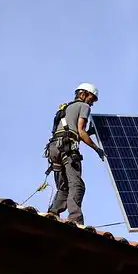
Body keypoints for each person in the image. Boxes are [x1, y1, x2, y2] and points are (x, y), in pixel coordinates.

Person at [45, 82, 105, 226]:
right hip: (68, 150)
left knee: (63, 187)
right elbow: (81, 131)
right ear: (83, 94)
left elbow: (71, 131)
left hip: (54, 149)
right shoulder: (84, 107)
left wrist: (90, 132)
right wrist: (97, 149)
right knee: (77, 185)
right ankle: (75, 220)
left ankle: (52, 213)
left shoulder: (66, 107)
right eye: (92, 98)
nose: (92, 103)